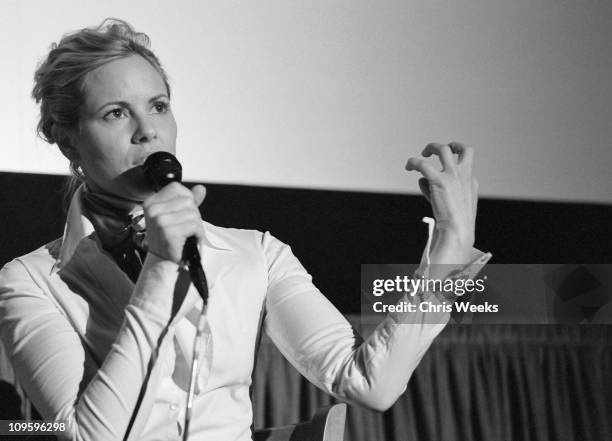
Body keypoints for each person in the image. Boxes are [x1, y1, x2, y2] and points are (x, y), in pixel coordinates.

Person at [0, 19, 491, 441]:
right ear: (66, 139)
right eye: (115, 113)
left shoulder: (255, 253)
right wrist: (160, 269)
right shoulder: (28, 282)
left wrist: (450, 244)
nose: (148, 130)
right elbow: (89, 436)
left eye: (158, 105)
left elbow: (369, 384)